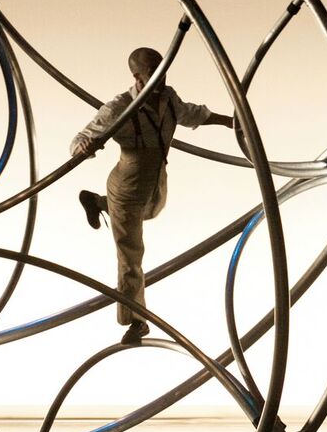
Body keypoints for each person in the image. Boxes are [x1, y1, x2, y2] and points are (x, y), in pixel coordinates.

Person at [71, 47, 234, 344]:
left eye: (163, 70)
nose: (161, 78)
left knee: (153, 211)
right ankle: (136, 320)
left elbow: (191, 113)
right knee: (131, 256)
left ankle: (97, 202)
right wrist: (83, 147)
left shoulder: (168, 98)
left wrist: (228, 121)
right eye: (153, 73)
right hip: (126, 187)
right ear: (137, 76)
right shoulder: (119, 107)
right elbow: (81, 138)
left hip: (155, 182)